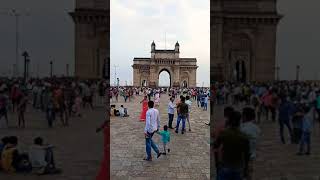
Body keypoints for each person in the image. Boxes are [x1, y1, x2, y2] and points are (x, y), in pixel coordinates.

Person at [214, 111, 250, 180]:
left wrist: (217, 163)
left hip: (225, 165)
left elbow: (216, 147)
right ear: (239, 121)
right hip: (238, 167)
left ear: (228, 121)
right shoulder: (244, 137)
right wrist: (246, 169)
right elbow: (246, 154)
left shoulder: (223, 134)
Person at [241, 107, 261, 180]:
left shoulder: (242, 128)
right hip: (252, 154)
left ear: (245, 116)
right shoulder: (256, 128)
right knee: (249, 174)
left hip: (243, 155)